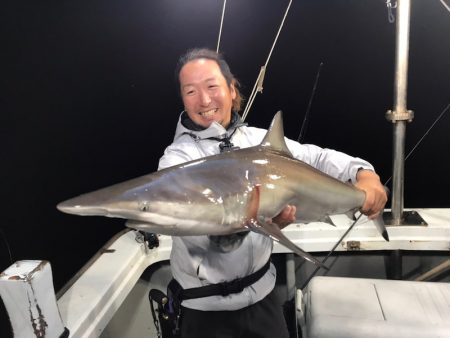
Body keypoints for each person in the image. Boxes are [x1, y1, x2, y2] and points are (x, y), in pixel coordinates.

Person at [158, 48, 387, 338]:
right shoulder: (176, 161)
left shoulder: (259, 141)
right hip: (205, 313)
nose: (203, 100)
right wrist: (252, 223)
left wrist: (364, 174)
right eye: (190, 91)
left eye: (212, 86)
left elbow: (317, 158)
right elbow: (197, 230)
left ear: (231, 89)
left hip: (264, 301)